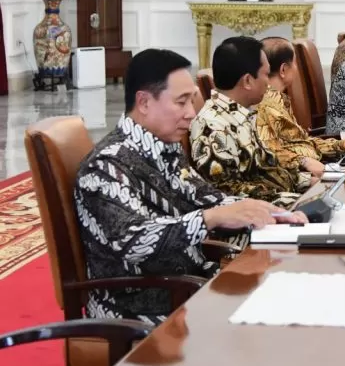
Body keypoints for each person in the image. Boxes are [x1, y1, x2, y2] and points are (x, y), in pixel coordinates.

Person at [74, 49, 306, 322]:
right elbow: (136, 240)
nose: (191, 114)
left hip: (185, 285)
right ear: (144, 102)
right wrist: (210, 218)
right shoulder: (106, 166)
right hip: (139, 306)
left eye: (191, 101)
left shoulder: (163, 148)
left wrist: (269, 212)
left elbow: (206, 198)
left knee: (294, 292)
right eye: (181, 102)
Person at [190, 36, 310, 205]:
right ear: (247, 81)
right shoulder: (213, 127)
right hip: (263, 217)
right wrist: (301, 202)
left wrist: (312, 182)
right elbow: (229, 194)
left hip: (282, 203)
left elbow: (268, 170)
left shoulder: (242, 114)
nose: (269, 83)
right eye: (266, 75)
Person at [256, 37, 345, 178]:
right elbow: (272, 155)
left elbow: (304, 142)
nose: (297, 69)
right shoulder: (268, 106)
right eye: (295, 63)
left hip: (320, 165)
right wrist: (306, 163)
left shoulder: (278, 99)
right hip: (305, 176)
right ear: (284, 69)